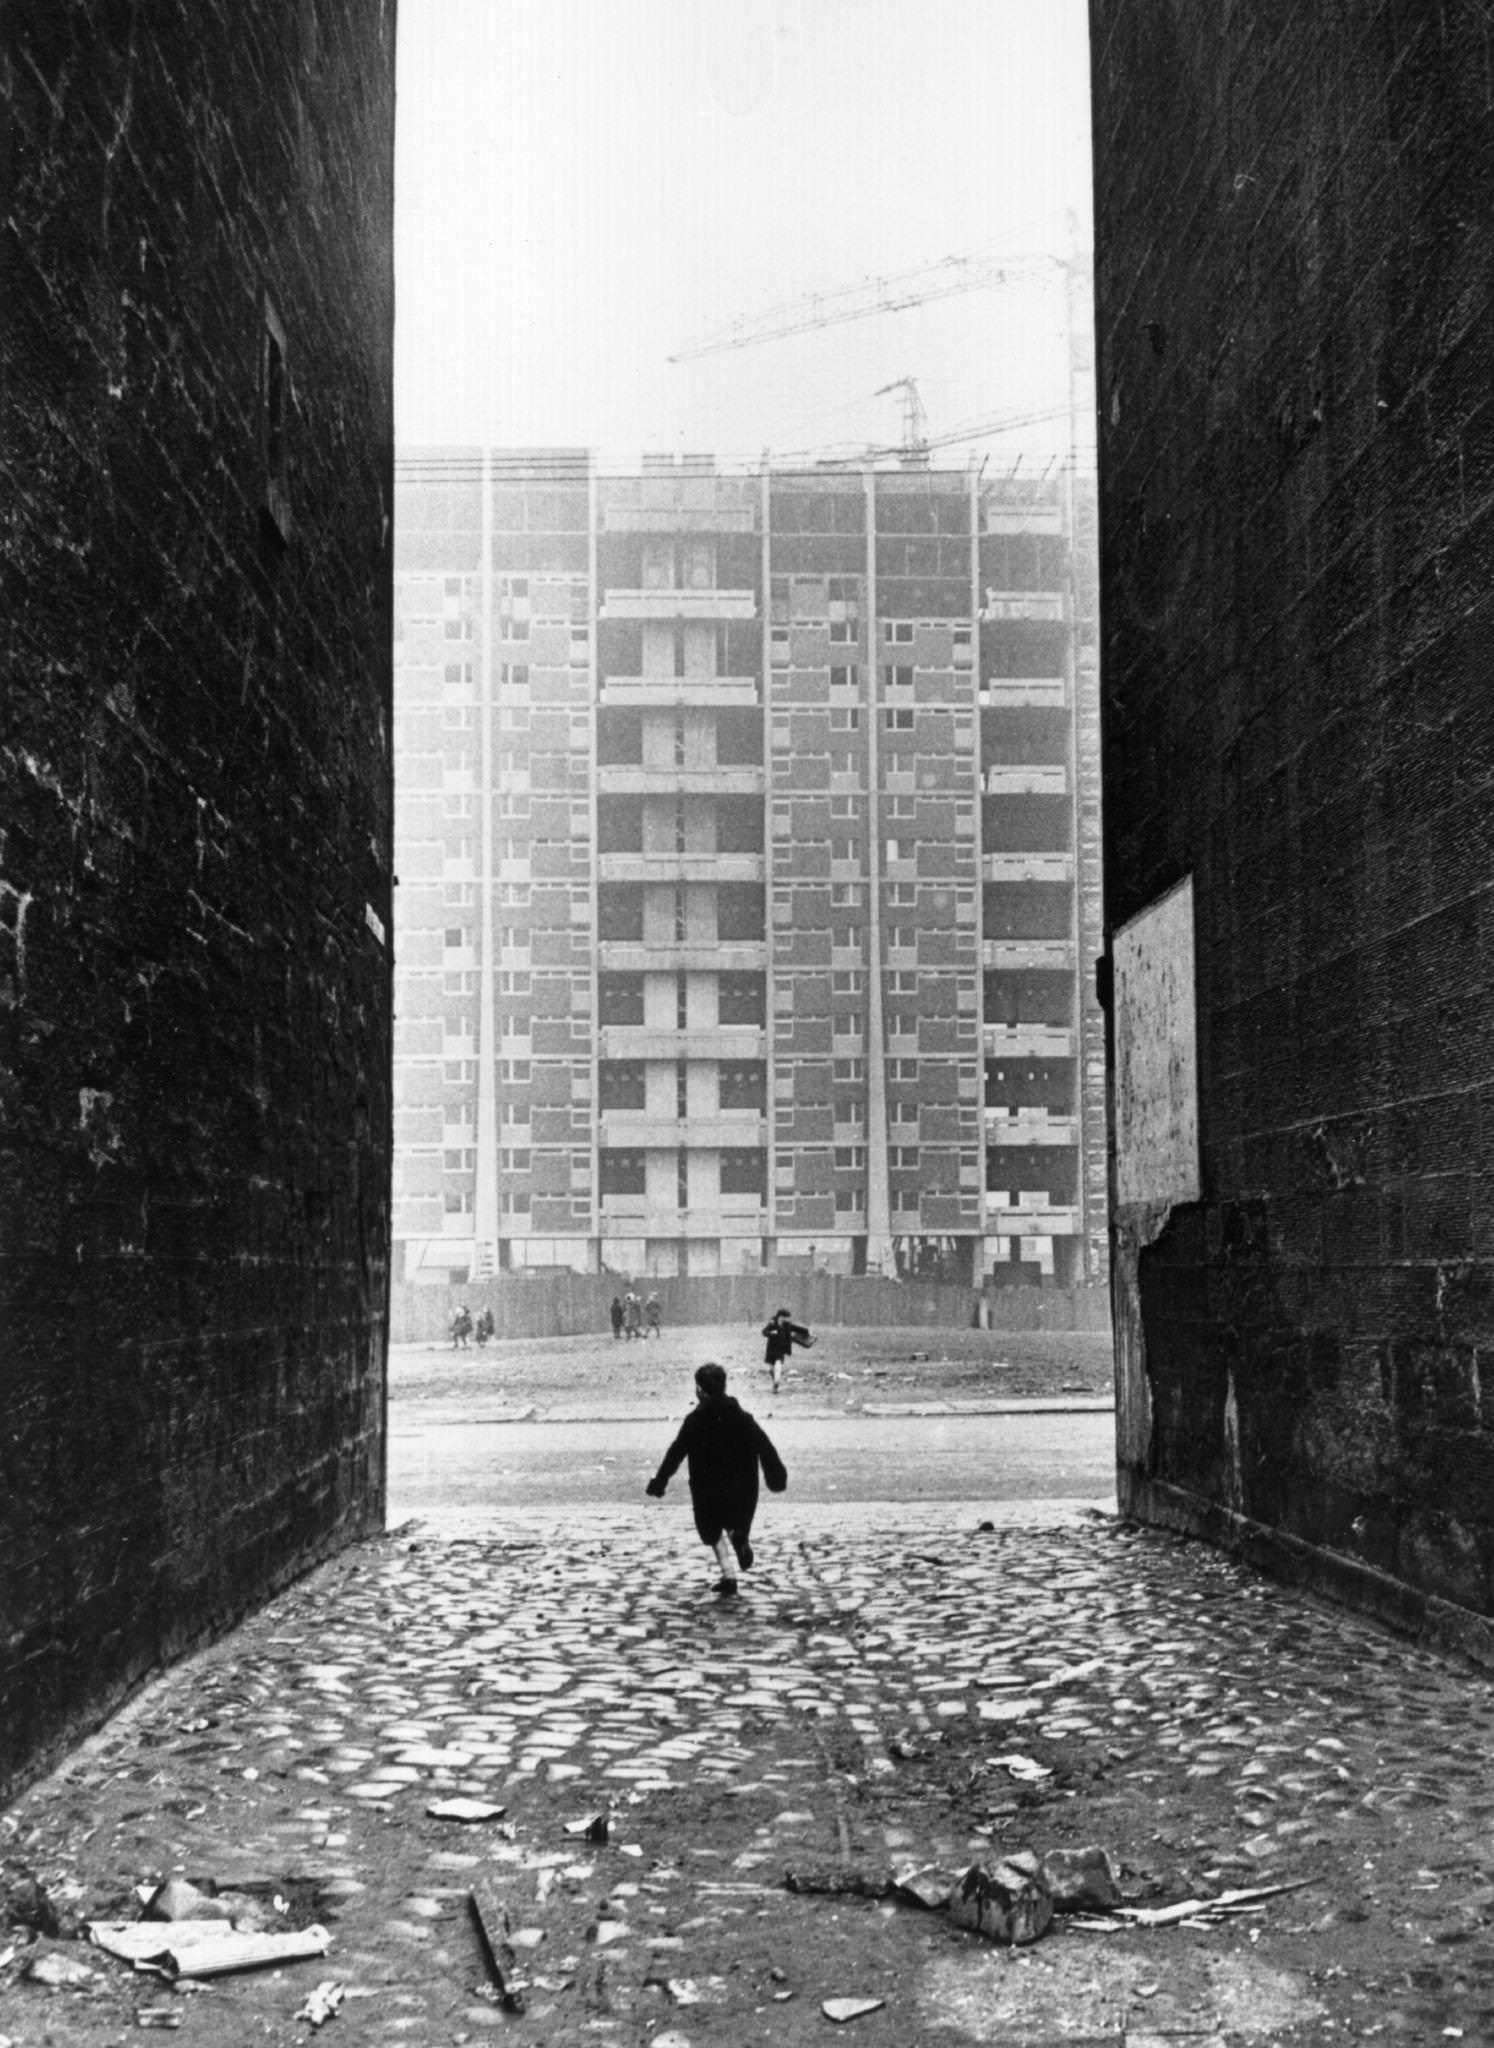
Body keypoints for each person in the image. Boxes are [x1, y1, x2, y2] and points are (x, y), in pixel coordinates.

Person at [645, 1363, 787, 1596]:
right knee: (734, 1519)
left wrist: (660, 1482)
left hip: (706, 1488)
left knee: (711, 1530)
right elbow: (765, 1446)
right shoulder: (743, 1417)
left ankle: (728, 1575)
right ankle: (737, 1537)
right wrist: (776, 1475)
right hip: (742, 1486)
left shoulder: (694, 1420)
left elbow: (676, 1452)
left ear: (700, 1390)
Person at [761, 1306, 813, 1391]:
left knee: (778, 1366)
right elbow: (764, 1332)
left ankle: (776, 1384)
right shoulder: (772, 1323)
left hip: (781, 1349)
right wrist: (771, 1333)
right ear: (780, 1316)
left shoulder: (787, 1325)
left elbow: (799, 1329)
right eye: (784, 1317)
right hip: (771, 1350)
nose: (786, 1319)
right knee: (771, 1369)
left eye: (787, 1318)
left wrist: (807, 1331)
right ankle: (775, 1381)